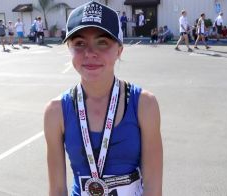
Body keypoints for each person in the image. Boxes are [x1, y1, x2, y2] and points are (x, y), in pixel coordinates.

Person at [44, 1, 163, 196]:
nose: (90, 53)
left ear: (119, 49)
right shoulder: (55, 111)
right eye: (79, 43)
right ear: (69, 49)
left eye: (103, 42)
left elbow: (153, 188)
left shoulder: (144, 104)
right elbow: (57, 190)